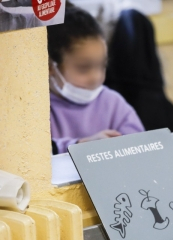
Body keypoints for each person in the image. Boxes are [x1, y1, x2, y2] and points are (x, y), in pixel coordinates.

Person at [47, 5, 144, 154]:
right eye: (84, 68)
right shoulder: (40, 111)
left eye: (102, 65)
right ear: (50, 67)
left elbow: (141, 146)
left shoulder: (113, 103)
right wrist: (81, 145)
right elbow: (36, 154)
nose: (96, 77)